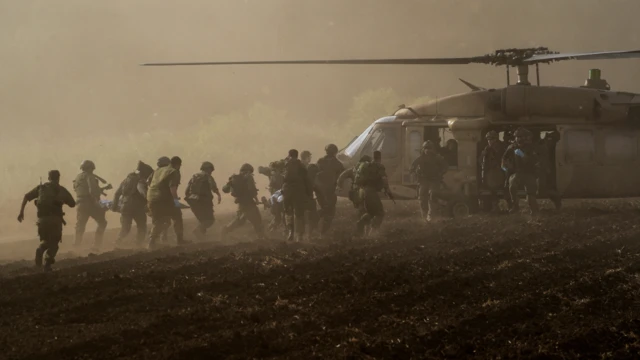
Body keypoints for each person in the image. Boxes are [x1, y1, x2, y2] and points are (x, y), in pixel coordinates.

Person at [17, 170, 76, 272]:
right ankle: (47, 264)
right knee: (55, 243)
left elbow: (26, 197)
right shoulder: (61, 190)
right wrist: (61, 201)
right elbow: (72, 204)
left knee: (45, 240)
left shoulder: (41, 188)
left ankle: (40, 250)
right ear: (58, 178)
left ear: (49, 178)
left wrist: (21, 212)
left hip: (42, 220)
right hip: (55, 220)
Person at [147, 156, 187, 249]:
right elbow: (173, 188)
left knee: (159, 220)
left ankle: (152, 241)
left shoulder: (157, 170)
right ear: (178, 165)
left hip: (151, 198)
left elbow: (148, 181)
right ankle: (180, 240)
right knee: (177, 216)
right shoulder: (174, 171)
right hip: (163, 199)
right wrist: (176, 202)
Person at [112, 161, 154, 247]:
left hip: (125, 206)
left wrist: (114, 206)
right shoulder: (140, 182)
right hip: (137, 207)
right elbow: (145, 194)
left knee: (125, 228)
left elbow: (117, 194)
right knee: (142, 226)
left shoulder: (126, 180)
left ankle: (117, 243)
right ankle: (138, 245)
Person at [354, 150, 393, 236]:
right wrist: (387, 190)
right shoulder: (379, 166)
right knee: (380, 213)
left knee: (371, 212)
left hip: (362, 191)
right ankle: (373, 232)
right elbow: (384, 179)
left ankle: (361, 222)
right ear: (379, 158)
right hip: (370, 191)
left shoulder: (364, 165)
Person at [502, 127, 541, 214]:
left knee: (531, 192)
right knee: (511, 186)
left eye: (521, 137)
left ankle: (534, 209)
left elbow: (535, 160)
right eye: (517, 137)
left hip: (528, 172)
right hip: (516, 172)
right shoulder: (511, 147)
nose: (519, 138)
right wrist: (505, 167)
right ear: (515, 138)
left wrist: (524, 156)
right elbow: (504, 158)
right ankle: (515, 207)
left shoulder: (530, 147)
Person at [73, 160, 110, 250]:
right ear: (90, 168)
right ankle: (96, 245)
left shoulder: (78, 178)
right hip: (90, 203)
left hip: (80, 204)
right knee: (102, 222)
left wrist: (102, 189)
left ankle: (76, 246)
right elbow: (92, 191)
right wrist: (98, 202)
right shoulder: (90, 176)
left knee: (80, 225)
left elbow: (80, 190)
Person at [221, 163, 264, 239]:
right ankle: (261, 237)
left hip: (240, 203)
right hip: (249, 202)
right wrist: (256, 200)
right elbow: (252, 189)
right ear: (249, 170)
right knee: (257, 219)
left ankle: (226, 229)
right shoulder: (248, 177)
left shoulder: (234, 178)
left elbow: (225, 189)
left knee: (240, 220)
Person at [410, 141, 448, 222]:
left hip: (434, 181)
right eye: (426, 148)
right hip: (423, 181)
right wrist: (415, 173)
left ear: (433, 149)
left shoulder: (438, 158)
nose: (428, 150)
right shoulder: (420, 159)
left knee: (432, 198)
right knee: (422, 199)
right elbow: (412, 168)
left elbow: (445, 167)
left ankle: (431, 217)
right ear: (423, 149)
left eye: (429, 148)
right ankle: (424, 217)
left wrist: (440, 173)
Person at [185, 161, 222, 241]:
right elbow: (213, 186)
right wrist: (218, 195)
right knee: (210, 220)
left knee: (202, 220)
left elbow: (187, 190)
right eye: (211, 170)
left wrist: (190, 199)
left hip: (193, 201)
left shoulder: (194, 176)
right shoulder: (207, 176)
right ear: (208, 169)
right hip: (204, 201)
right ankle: (197, 232)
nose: (211, 172)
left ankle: (201, 237)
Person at [282, 149, 312, 242]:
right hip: (299, 191)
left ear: (289, 155)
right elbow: (307, 180)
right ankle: (299, 236)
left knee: (288, 212)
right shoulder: (301, 166)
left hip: (287, 191)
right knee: (299, 214)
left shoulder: (285, 165)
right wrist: (309, 193)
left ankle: (290, 231)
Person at [316, 144, 345, 237]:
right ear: (335, 152)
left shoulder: (320, 161)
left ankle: (317, 225)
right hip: (330, 190)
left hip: (319, 190)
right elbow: (342, 175)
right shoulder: (337, 163)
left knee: (325, 208)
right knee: (330, 211)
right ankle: (322, 231)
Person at [481, 131, 508, 212]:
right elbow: (481, 161)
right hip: (491, 172)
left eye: (491, 139)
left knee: (494, 185)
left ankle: (500, 206)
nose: (489, 141)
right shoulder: (487, 148)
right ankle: (494, 206)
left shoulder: (501, 148)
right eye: (488, 139)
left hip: (500, 171)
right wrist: (483, 155)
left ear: (496, 139)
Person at [537, 131, 562, 210]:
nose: (548, 140)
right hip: (544, 169)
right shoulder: (544, 146)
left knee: (548, 187)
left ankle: (557, 204)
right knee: (544, 188)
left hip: (548, 169)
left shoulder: (550, 146)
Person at [258, 160, 286, 232]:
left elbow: (260, 169)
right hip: (279, 198)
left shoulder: (274, 175)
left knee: (278, 217)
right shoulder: (278, 176)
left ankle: (272, 230)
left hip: (277, 197)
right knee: (280, 217)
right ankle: (272, 230)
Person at [301, 150, 323, 238]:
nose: (310, 158)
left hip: (301, 195)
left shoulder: (300, 167)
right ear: (306, 158)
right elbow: (310, 183)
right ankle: (310, 234)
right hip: (306, 195)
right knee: (313, 215)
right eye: (309, 157)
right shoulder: (307, 168)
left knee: (304, 215)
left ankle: (307, 233)